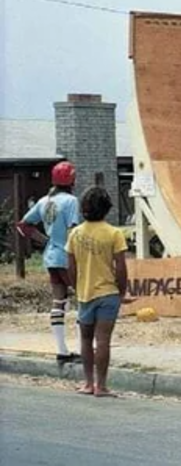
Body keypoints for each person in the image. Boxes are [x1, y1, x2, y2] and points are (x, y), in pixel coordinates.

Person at [15, 161, 82, 364]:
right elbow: (73, 230)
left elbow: (23, 225)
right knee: (82, 301)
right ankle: (82, 348)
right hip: (67, 256)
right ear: (71, 179)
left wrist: (44, 240)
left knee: (58, 302)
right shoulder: (71, 201)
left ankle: (61, 350)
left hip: (51, 256)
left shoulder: (45, 201)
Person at [66, 186, 130, 397]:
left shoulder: (75, 234)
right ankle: (101, 386)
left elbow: (71, 267)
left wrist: (76, 287)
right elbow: (121, 266)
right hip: (108, 293)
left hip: (85, 293)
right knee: (103, 340)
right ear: (107, 209)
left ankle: (87, 383)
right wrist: (121, 290)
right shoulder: (114, 233)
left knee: (85, 339)